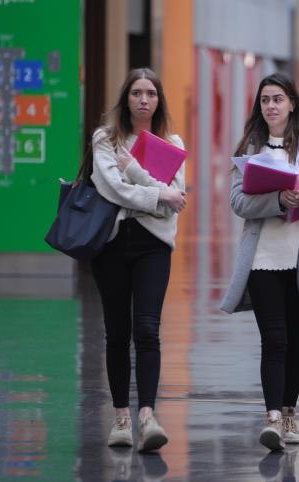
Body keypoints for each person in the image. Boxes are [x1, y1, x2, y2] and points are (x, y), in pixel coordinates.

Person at [220, 73, 299, 451]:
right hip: (262, 259)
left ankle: (290, 413)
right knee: (273, 339)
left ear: (292, 103)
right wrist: (277, 200)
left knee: (295, 341)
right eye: (265, 100)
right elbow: (238, 202)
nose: (271, 106)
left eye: (277, 99)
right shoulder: (251, 146)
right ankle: (273, 418)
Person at [89, 68, 187, 453]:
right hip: (111, 245)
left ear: (159, 100)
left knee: (147, 329)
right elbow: (112, 190)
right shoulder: (105, 139)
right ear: (125, 99)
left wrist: (133, 171)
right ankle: (121, 419)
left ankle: (147, 416)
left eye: (150, 93)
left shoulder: (171, 143)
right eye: (136, 93)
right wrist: (158, 193)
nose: (143, 99)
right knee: (117, 332)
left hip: (153, 246)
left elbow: (174, 203)